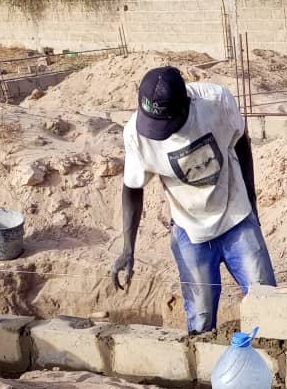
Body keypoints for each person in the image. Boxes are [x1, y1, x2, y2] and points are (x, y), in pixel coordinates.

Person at [111, 66, 277, 333]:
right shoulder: (136, 135)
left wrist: (252, 202)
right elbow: (132, 188)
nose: (159, 133)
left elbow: (241, 143)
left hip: (236, 216)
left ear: (187, 104)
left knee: (269, 305)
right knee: (200, 320)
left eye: (166, 125)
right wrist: (128, 249)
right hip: (190, 232)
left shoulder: (216, 102)